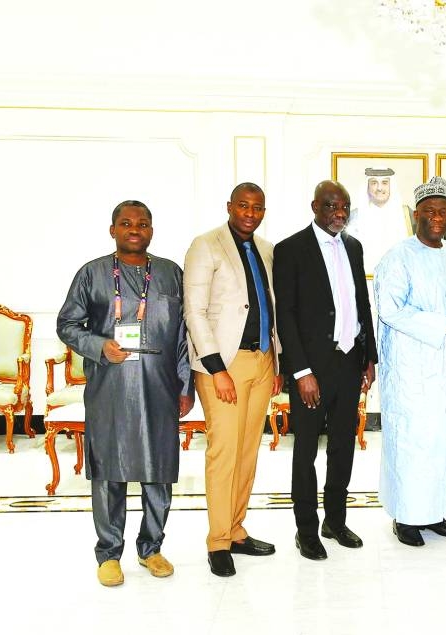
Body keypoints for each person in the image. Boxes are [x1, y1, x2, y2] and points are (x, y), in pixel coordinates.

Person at [57, 200, 193, 587]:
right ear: (113, 229)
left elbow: (184, 336)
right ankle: (109, 554)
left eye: (143, 223)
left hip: (159, 388)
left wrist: (185, 386)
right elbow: (67, 324)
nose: (135, 229)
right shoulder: (92, 273)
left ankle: (151, 548)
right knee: (108, 472)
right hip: (110, 388)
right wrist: (99, 345)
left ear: (152, 230)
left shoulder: (170, 273)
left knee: (159, 470)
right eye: (127, 223)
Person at [273, 180, 377, 561]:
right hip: (312, 370)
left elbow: (361, 303)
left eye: (345, 206)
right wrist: (301, 372)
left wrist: (370, 357)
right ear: (315, 206)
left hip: (350, 362)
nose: (340, 213)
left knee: (343, 446)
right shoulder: (290, 249)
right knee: (305, 451)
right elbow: (286, 315)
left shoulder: (354, 246)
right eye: (332, 205)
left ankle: (335, 520)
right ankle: (305, 530)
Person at [373, 175, 446, 547]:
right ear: (416, 214)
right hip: (411, 368)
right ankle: (406, 516)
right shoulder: (397, 257)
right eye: (429, 211)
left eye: (442, 212)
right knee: (412, 442)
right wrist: (443, 325)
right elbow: (389, 310)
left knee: (442, 440)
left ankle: (435, 513)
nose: (437, 218)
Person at [183, 182, 282, 577]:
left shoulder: (267, 249)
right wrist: (215, 368)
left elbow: (270, 306)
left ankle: (237, 530)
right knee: (224, 453)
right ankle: (218, 541)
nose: (250, 213)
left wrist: (276, 363)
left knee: (247, 453)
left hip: (262, 362)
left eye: (257, 207)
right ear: (229, 206)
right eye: (243, 205)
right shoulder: (205, 245)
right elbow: (194, 312)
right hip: (224, 365)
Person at [346, 167, 414, 273]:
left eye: (385, 183)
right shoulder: (353, 217)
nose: (379, 188)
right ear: (367, 186)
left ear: (391, 186)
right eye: (374, 183)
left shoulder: (407, 215)